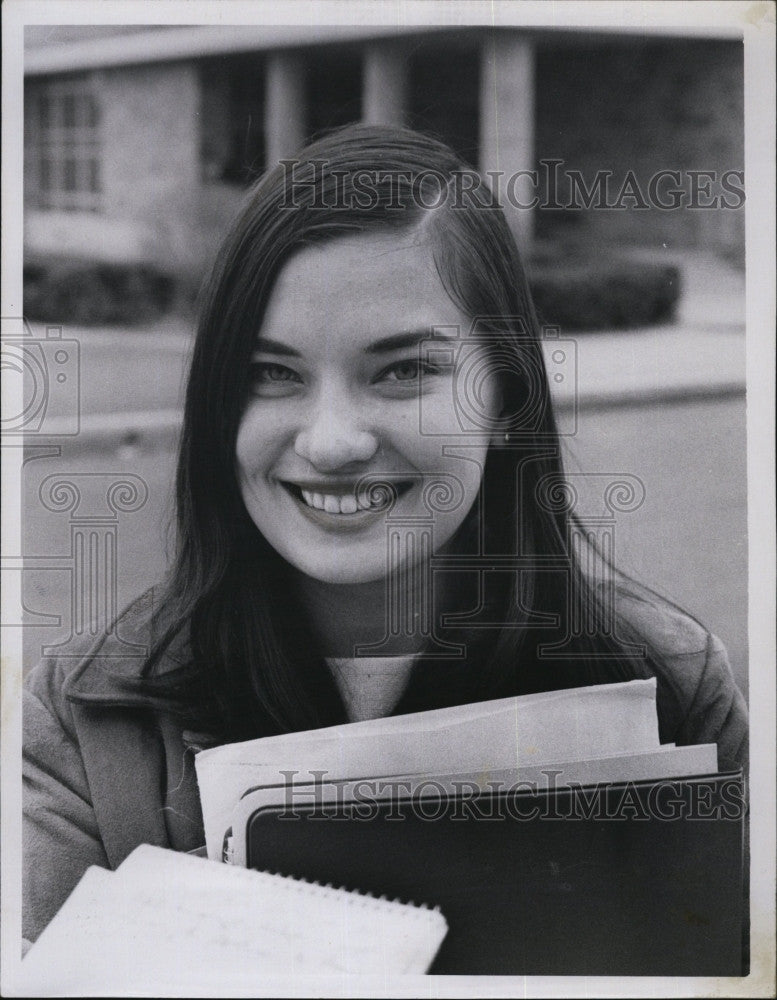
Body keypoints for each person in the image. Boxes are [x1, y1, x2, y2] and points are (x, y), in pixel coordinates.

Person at [23, 124, 748, 944]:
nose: (331, 442)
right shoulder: (83, 722)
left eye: (402, 370)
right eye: (270, 374)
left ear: (506, 398)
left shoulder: (675, 690)